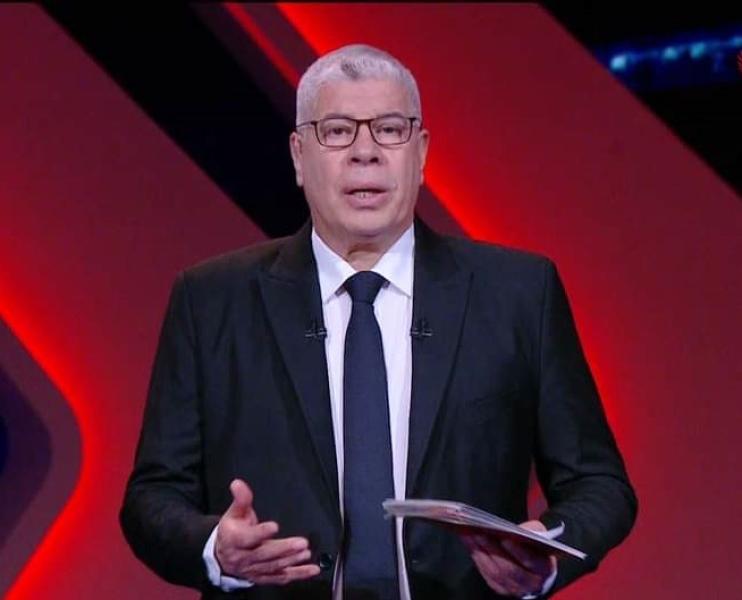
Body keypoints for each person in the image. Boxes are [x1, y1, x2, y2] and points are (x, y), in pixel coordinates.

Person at [120, 44, 637, 599]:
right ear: (299, 156)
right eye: (338, 131)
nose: (365, 153)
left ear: (421, 153)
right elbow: (152, 497)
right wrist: (214, 548)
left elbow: (598, 484)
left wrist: (545, 554)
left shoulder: (518, 294)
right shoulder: (211, 300)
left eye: (389, 130)